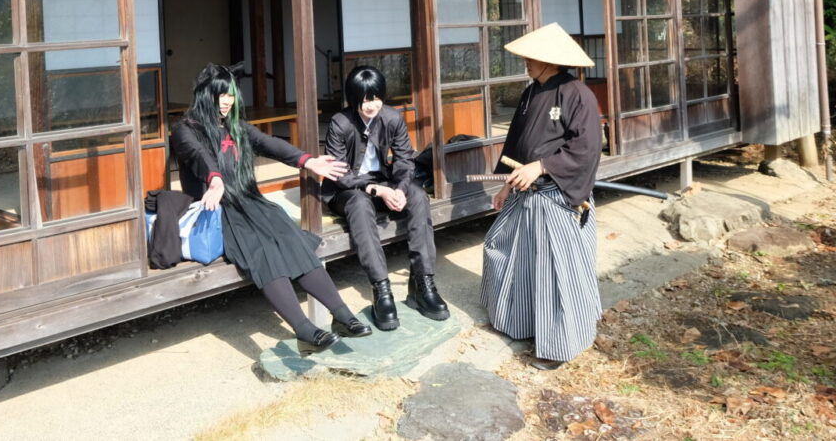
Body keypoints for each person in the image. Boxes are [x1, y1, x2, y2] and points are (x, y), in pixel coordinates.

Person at [170, 63, 373, 353]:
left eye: (231, 95)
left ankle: (342, 315)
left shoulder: (236, 126)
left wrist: (307, 161)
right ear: (206, 95)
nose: (227, 101)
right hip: (217, 210)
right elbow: (198, 155)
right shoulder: (184, 129)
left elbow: (269, 143)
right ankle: (303, 329)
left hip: (250, 201)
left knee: (291, 239)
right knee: (261, 249)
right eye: (221, 95)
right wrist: (214, 180)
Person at [480, 22, 604, 370]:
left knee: (554, 272)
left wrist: (543, 166)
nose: (526, 63)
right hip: (525, 193)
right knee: (503, 250)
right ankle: (516, 322)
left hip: (555, 196)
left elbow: (587, 147)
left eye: (530, 58)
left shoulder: (577, 93)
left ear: (549, 60)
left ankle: (559, 344)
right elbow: (517, 143)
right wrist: (507, 183)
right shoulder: (531, 92)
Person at [322, 67, 449, 331]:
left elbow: (404, 159)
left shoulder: (392, 117)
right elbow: (338, 173)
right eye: (366, 99)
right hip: (347, 189)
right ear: (354, 98)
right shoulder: (340, 122)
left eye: (377, 97)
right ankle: (381, 290)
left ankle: (423, 284)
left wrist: (400, 189)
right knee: (358, 204)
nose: (372, 105)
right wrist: (377, 190)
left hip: (383, 180)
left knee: (417, 193)